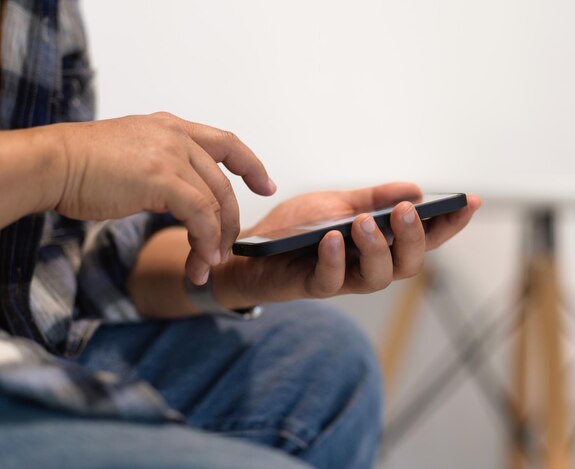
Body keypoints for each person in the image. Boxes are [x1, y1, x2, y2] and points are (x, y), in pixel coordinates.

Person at [0, 1, 480, 468]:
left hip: (30, 351)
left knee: (324, 358)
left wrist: (240, 267)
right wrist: (60, 162)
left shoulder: (43, 13)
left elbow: (51, 278)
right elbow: (64, 169)